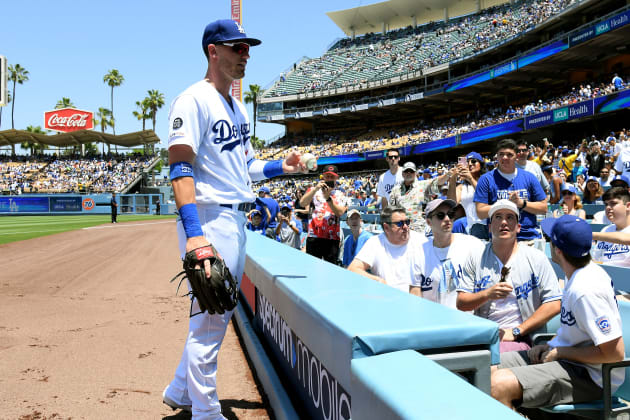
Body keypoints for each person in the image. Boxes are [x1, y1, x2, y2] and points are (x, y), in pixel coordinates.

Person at [163, 19, 306, 419]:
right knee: (210, 321)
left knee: (216, 312)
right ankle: (206, 413)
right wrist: (195, 235)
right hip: (208, 218)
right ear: (214, 51)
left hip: (234, 220)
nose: (245, 55)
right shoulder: (192, 100)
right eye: (237, 48)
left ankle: (179, 389)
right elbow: (180, 168)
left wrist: (283, 167)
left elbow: (247, 167)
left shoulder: (237, 105)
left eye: (247, 49)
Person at [491, 215, 624, 410]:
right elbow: (579, 332)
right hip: (571, 362)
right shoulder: (578, 275)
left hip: (592, 377)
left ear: (558, 250)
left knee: (498, 385)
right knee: (483, 367)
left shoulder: (586, 290)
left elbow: (614, 353)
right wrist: (551, 345)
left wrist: (561, 352)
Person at [457, 200, 562, 352]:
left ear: (518, 227)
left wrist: (516, 331)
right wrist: (487, 294)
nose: (504, 222)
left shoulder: (536, 258)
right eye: (498, 217)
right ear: (490, 226)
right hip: (483, 334)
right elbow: (462, 302)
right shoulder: (475, 257)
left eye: (510, 217)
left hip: (521, 337)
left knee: (489, 360)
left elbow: (554, 303)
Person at [410, 199, 482, 308]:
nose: (447, 219)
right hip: (433, 321)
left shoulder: (472, 245)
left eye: (451, 214)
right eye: (440, 215)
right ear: (429, 222)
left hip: (465, 319)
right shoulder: (419, 252)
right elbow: (415, 294)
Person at [474, 139, 548, 243]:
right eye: (501, 154)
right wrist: (504, 204)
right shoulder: (486, 179)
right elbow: (480, 212)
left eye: (509, 154)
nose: (505, 157)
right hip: (499, 238)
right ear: (497, 157)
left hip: (528, 237)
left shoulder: (529, 177)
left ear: (516, 157)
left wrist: (522, 203)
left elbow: (544, 208)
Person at [348, 206, 427, 293]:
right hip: (387, 298)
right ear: (386, 228)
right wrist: (377, 281)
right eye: (400, 224)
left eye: (407, 222)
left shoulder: (421, 241)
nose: (405, 227)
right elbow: (352, 269)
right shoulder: (375, 243)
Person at [300, 165, 348, 264]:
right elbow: (302, 203)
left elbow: (339, 212)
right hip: (314, 236)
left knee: (330, 269)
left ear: (336, 178)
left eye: (332, 177)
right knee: (311, 266)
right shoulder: (314, 190)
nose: (329, 179)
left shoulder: (340, 194)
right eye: (327, 176)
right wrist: (315, 189)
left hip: (332, 238)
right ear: (323, 177)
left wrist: (328, 198)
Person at [388, 161, 446, 233]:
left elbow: (438, 182)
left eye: (411, 171)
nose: (409, 173)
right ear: (402, 174)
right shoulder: (395, 190)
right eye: (406, 171)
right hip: (401, 229)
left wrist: (448, 174)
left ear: (415, 174)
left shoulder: (423, 185)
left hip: (419, 230)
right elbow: (391, 211)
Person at [448, 151, 488, 239]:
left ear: (480, 164)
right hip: (473, 228)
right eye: (467, 162)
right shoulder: (462, 187)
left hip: (488, 225)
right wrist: (453, 178)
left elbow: (484, 195)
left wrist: (470, 178)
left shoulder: (487, 180)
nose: (470, 164)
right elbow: (451, 203)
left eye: (473, 161)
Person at [592, 187, 630, 267]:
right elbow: (597, 260)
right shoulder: (605, 230)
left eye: (613, 203)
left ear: (628, 206)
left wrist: (590, 234)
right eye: (606, 204)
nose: (608, 208)